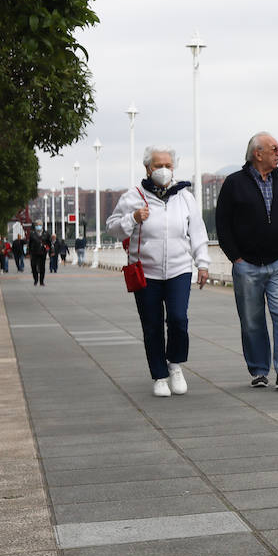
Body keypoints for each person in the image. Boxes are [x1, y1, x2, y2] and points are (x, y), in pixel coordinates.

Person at [107, 146, 210, 398]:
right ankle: (159, 375)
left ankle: (175, 365)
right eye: (157, 165)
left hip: (179, 268)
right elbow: (113, 228)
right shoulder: (133, 196)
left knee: (178, 319)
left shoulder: (184, 197)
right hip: (146, 271)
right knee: (151, 325)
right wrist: (132, 218)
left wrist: (203, 262)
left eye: (168, 165)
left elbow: (197, 231)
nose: (163, 170)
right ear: (147, 168)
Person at [215, 132, 278, 391]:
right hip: (247, 264)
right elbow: (223, 224)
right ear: (258, 153)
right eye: (275, 148)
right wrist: (236, 258)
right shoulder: (234, 183)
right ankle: (259, 370)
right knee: (252, 319)